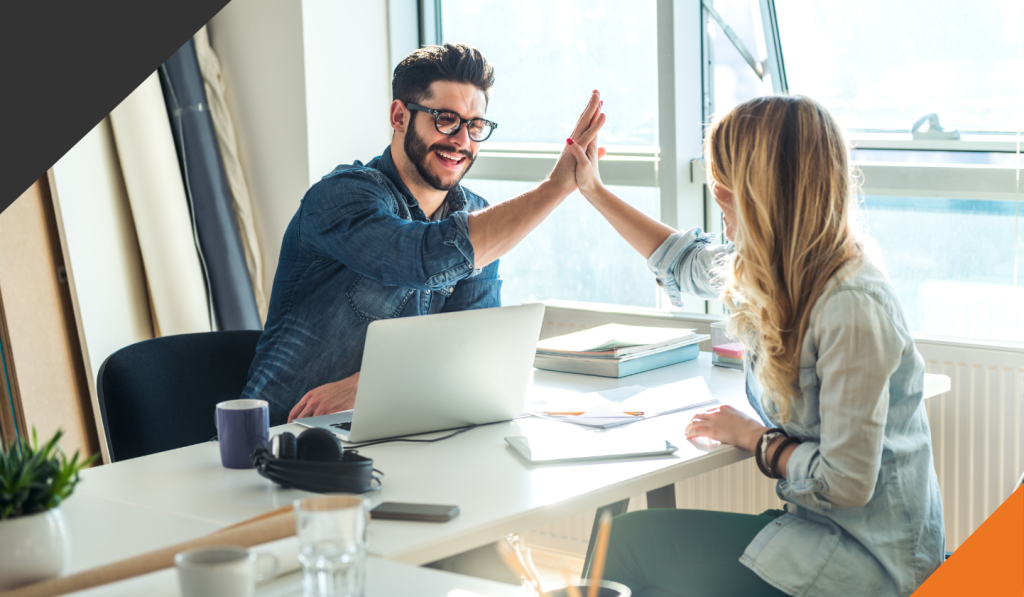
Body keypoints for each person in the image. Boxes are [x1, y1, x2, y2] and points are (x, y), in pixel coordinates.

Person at [564, 95, 944, 597]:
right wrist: (592, 190)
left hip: (871, 564)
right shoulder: (777, 270)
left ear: (770, 193)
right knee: (630, 545)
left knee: (625, 547)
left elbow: (849, 482)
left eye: (728, 182)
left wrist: (755, 439)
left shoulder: (852, 303)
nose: (715, 192)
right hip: (822, 534)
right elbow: (688, 263)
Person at [242, 43, 605, 425]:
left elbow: (470, 346)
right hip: (276, 444)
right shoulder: (342, 197)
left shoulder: (479, 218)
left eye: (475, 125)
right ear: (399, 116)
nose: (462, 140)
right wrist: (554, 188)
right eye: (445, 119)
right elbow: (420, 258)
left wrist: (370, 383)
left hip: (399, 438)